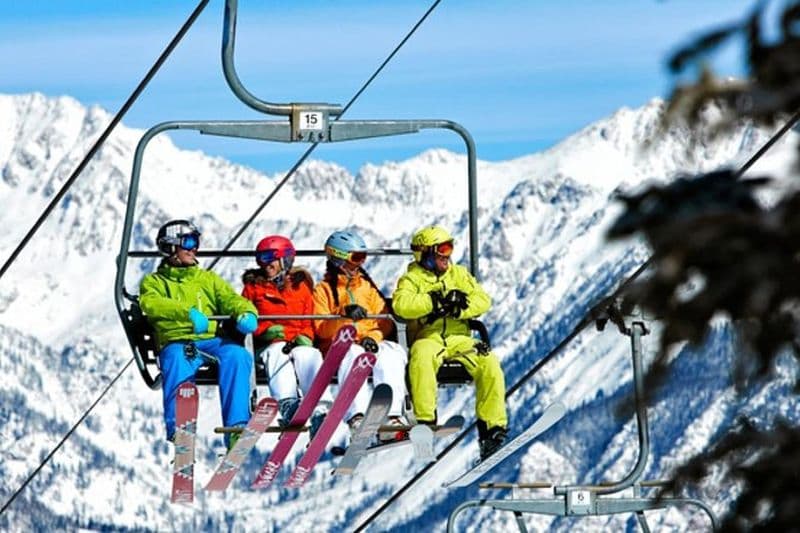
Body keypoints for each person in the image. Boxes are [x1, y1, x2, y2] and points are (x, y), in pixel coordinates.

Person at [139, 219, 258, 450]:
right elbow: (152, 305)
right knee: (176, 361)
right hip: (179, 341)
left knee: (237, 356)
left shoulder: (207, 280)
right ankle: (181, 430)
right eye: (189, 242)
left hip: (211, 341)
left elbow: (230, 299)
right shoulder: (154, 282)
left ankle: (236, 427)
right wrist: (188, 314)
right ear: (171, 247)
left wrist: (245, 313)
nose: (195, 248)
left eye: (197, 242)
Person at [392, 225, 508, 460]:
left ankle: (492, 430)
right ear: (426, 253)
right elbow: (401, 305)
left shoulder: (459, 275)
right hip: (429, 336)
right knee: (421, 359)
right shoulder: (412, 279)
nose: (448, 255)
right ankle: (425, 421)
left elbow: (483, 300)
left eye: (450, 248)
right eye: (442, 250)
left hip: (460, 338)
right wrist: (432, 302)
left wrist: (460, 307)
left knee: (489, 362)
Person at [313, 230, 408, 441]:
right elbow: (321, 329)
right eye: (356, 257)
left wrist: (372, 338)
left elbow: (384, 322)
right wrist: (343, 318)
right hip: (338, 346)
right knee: (353, 352)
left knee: (392, 352)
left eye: (363, 257)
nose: (361, 263)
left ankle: (391, 416)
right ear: (338, 259)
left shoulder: (367, 288)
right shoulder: (323, 290)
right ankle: (357, 416)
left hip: (367, 341)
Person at [241, 234, 330, 439]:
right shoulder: (254, 288)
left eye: (270, 258)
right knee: (277, 353)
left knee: (309, 355)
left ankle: (320, 409)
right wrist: (263, 332)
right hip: (269, 344)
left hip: (297, 341)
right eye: (261, 259)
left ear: (285, 259)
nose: (265, 264)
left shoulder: (301, 287)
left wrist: (306, 336)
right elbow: (244, 317)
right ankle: (288, 404)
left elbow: (309, 319)